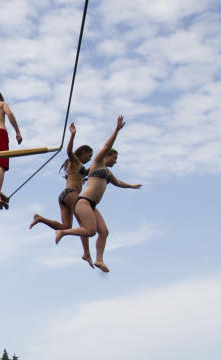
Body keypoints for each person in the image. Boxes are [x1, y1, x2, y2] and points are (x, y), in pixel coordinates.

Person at [54, 116, 142, 272]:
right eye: (114, 158)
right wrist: (116, 130)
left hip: (92, 205)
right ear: (107, 156)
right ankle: (63, 231)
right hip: (83, 202)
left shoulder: (107, 173)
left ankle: (99, 260)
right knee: (90, 231)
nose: (115, 161)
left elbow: (118, 183)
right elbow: (108, 145)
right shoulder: (98, 162)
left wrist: (132, 186)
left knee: (104, 231)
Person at [29, 123, 95, 267]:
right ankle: (87, 253)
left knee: (66, 226)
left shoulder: (79, 166)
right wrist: (72, 135)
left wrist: (100, 163)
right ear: (82, 153)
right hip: (72, 194)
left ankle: (40, 218)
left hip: (64, 195)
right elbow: (69, 151)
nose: (89, 159)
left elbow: (90, 171)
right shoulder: (75, 161)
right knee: (84, 225)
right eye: (89, 156)